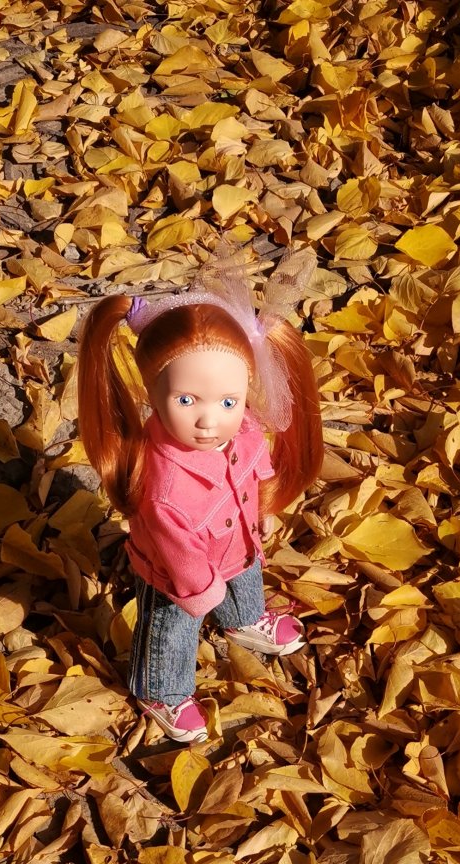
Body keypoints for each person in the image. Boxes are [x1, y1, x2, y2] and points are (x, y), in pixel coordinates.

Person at [76, 250, 323, 743]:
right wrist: (201, 592)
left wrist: (261, 507)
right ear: (152, 392)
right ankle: (161, 689)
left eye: (229, 401)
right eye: (186, 400)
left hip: (237, 541)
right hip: (178, 576)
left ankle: (244, 619)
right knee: (171, 627)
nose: (210, 420)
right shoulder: (164, 483)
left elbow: (254, 461)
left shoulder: (242, 427)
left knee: (247, 580)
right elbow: (177, 550)